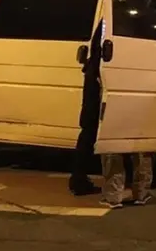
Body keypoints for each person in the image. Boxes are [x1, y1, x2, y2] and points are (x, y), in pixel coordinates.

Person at [69, 21, 103, 196]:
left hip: (94, 77)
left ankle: (78, 178)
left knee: (88, 131)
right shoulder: (113, 22)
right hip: (97, 81)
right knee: (89, 130)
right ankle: (79, 179)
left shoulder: (108, 21)